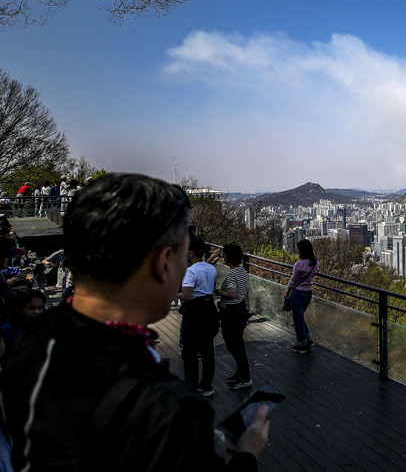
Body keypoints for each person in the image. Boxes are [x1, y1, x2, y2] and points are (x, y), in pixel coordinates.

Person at [3, 173, 269, 471]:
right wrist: (247, 454)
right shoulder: (166, 411)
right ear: (161, 264)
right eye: (184, 254)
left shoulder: (31, 338)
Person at [176, 237, 219, 396]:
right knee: (207, 350)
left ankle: (191, 386)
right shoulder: (211, 269)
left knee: (189, 352)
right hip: (209, 310)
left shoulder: (191, 271)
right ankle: (206, 385)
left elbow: (187, 295)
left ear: (192, 253)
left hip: (194, 312)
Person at [214, 243, 252, 389]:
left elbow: (231, 294)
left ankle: (244, 377)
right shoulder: (243, 271)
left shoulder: (232, 274)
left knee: (234, 345)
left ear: (227, 258)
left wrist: (217, 291)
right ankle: (241, 373)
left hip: (231, 312)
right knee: (238, 345)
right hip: (240, 309)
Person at [285, 239, 319, 353]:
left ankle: (302, 344)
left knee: (297, 319)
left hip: (298, 293)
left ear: (302, 251)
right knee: (300, 317)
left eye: (299, 249)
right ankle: (308, 339)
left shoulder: (299, 264)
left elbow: (293, 281)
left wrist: (287, 291)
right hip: (308, 293)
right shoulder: (315, 263)